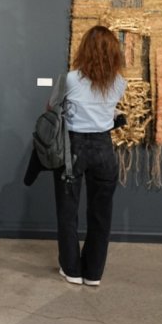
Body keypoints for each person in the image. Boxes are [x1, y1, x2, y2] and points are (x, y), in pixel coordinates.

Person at [51, 25, 127, 287]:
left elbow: (51, 107)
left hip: (73, 148)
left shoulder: (70, 79)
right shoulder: (119, 82)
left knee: (67, 211)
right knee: (101, 214)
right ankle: (93, 273)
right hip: (104, 148)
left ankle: (71, 269)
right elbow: (108, 110)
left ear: (84, 49)